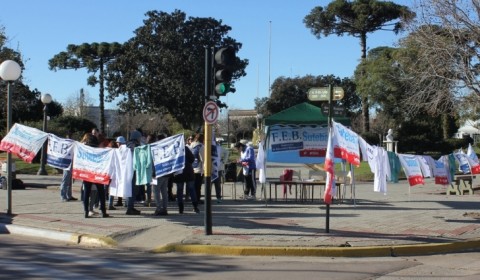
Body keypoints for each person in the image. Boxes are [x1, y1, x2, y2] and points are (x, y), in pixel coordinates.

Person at [81, 133, 109, 218]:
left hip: (87, 172)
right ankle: (103, 211)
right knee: (101, 192)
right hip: (97, 172)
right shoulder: (98, 149)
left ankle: (86, 211)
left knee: (86, 192)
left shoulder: (84, 149)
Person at [174, 143, 200, 214]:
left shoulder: (173, 149)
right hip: (188, 171)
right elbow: (192, 158)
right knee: (191, 189)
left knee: (180, 190)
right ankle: (195, 207)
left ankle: (181, 208)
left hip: (178, 172)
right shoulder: (185, 148)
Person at [151, 134, 171, 216]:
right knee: (164, 192)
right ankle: (165, 208)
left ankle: (159, 208)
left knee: (156, 191)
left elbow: (153, 162)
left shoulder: (156, 149)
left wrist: (152, 173)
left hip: (157, 174)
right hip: (166, 173)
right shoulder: (168, 148)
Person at [125, 130, 143, 215]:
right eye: (139, 137)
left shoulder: (126, 145)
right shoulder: (135, 146)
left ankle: (129, 205)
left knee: (130, 189)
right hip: (134, 170)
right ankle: (130, 207)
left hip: (127, 170)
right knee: (133, 189)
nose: (140, 139)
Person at [60, 133, 77, 202]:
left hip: (72, 163)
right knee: (65, 180)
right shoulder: (65, 145)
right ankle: (63, 196)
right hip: (66, 165)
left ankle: (69, 195)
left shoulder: (73, 145)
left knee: (70, 181)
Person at [189, 133, 204, 205]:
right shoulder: (202, 146)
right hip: (199, 168)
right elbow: (203, 158)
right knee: (198, 185)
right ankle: (197, 199)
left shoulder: (191, 145)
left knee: (192, 185)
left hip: (192, 168)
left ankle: (192, 198)